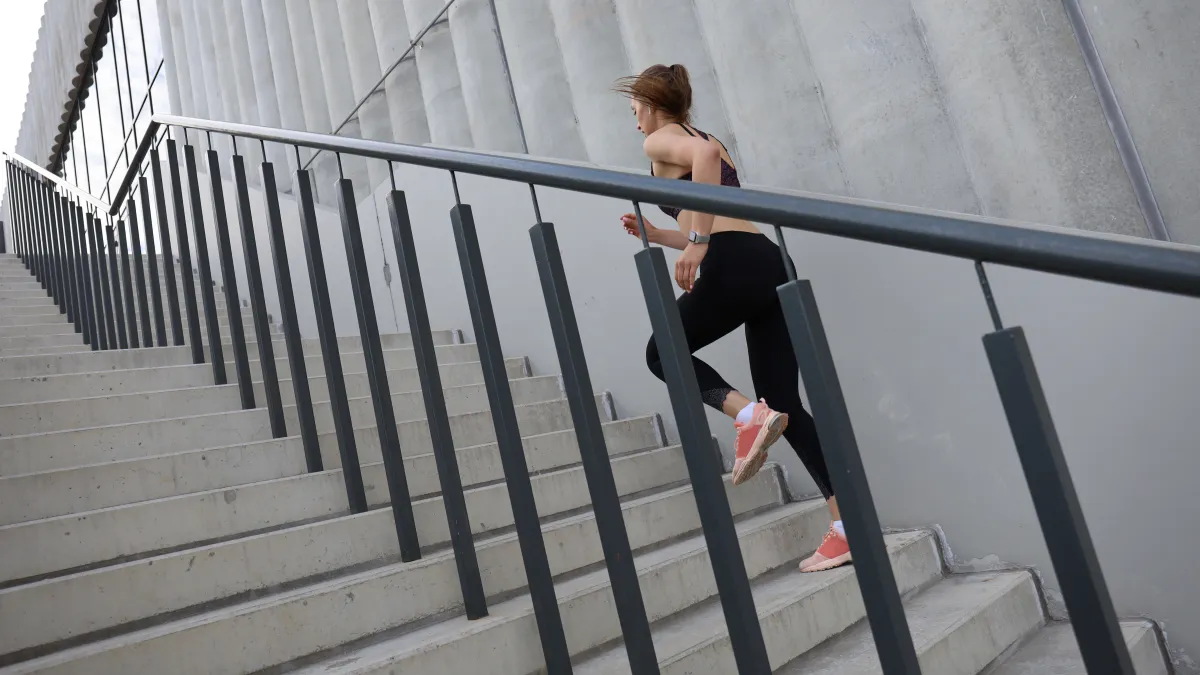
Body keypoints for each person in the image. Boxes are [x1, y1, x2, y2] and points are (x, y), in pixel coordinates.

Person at [614, 64, 849, 572]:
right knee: (786, 402)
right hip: (768, 260)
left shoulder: (660, 141)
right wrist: (663, 235)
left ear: (651, 105)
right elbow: (722, 214)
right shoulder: (707, 137)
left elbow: (708, 216)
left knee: (662, 352)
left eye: (635, 110)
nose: (635, 122)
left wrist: (697, 244)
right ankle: (846, 525)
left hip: (733, 261)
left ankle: (747, 416)